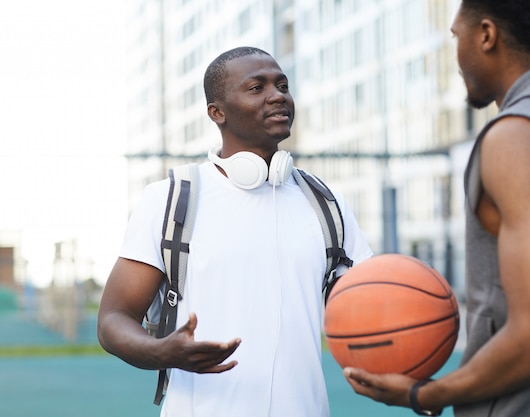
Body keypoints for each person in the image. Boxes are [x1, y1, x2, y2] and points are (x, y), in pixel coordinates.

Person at [97, 46, 373, 416]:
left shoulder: (327, 204)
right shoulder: (173, 198)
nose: (277, 95)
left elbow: (371, 311)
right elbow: (114, 319)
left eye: (282, 85)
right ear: (217, 112)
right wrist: (162, 351)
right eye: (256, 88)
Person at [343, 1, 530, 416]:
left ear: (486, 34)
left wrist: (422, 395)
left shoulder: (514, 137)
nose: (455, 55)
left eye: (454, 37)